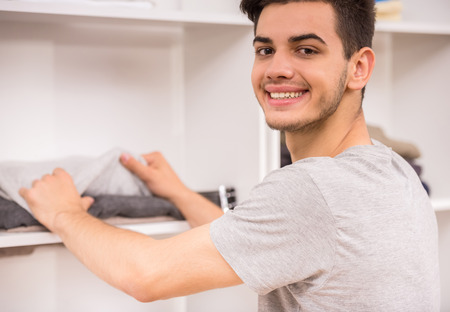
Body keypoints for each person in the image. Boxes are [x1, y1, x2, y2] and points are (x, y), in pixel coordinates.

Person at [19, 0, 440, 310]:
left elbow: (145, 275)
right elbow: (259, 240)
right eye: (264, 49)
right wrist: (181, 194)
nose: (276, 68)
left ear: (359, 68)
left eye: (306, 50)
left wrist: (64, 214)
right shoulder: (392, 170)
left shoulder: (313, 190)